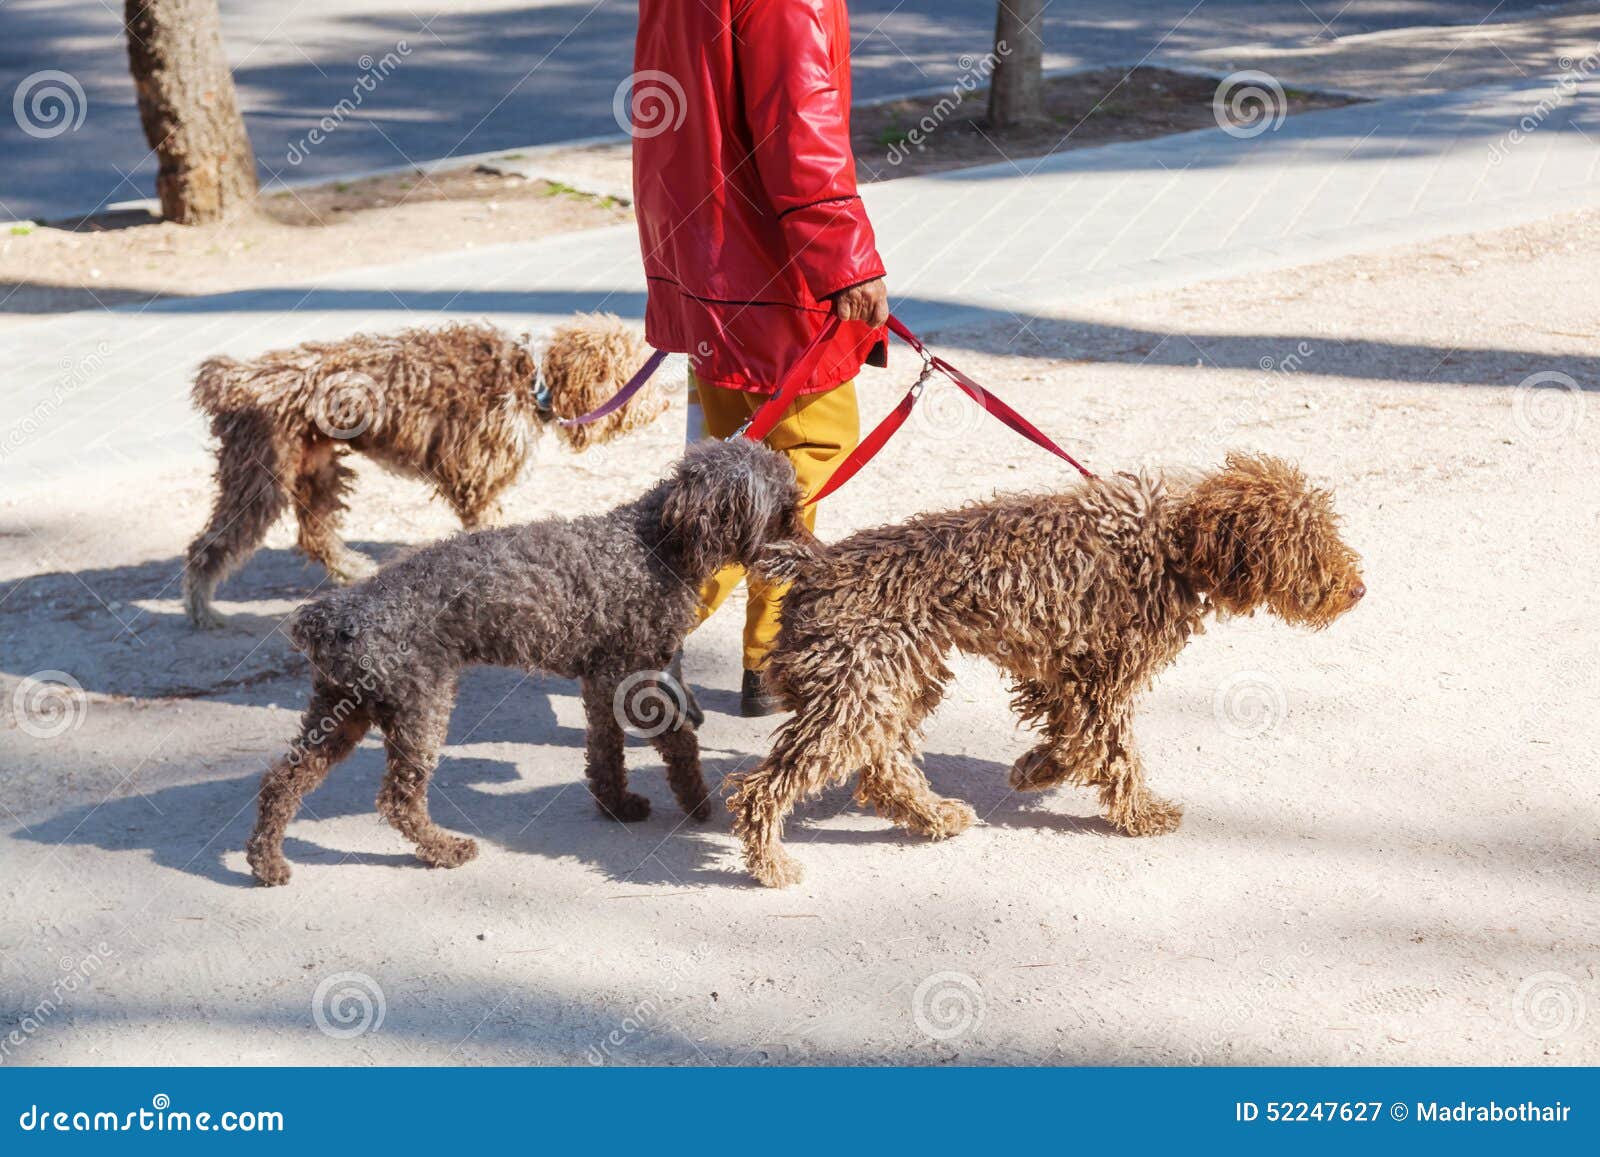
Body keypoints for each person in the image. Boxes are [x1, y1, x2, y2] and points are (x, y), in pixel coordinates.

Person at [631, 0, 889, 715]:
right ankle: (652, 623)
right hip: (768, 267)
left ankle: (768, 658)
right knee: (803, 456)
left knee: (736, 456)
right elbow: (799, 123)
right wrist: (845, 257)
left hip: (708, 252)